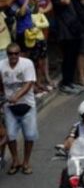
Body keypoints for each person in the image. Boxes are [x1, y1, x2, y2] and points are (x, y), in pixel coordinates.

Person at [1, 43, 36, 175]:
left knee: (30, 135)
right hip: (9, 106)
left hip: (27, 104)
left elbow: (29, 84)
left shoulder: (27, 64)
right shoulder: (1, 65)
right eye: (10, 54)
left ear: (20, 53)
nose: (13, 56)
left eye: (16, 53)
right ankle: (15, 160)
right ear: (7, 54)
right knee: (10, 135)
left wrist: (17, 96)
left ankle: (26, 162)